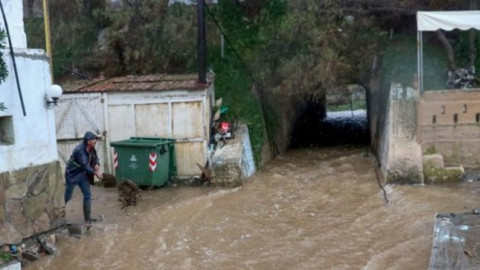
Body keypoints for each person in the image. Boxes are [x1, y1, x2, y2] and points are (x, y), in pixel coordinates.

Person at [64, 131, 103, 225]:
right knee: (67, 197)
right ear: (88, 141)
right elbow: (85, 165)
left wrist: (97, 165)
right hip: (72, 174)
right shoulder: (79, 150)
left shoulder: (92, 148)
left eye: (96, 139)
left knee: (87, 195)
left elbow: (95, 158)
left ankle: (87, 219)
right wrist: (95, 173)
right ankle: (58, 216)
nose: (95, 141)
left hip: (82, 174)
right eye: (94, 139)